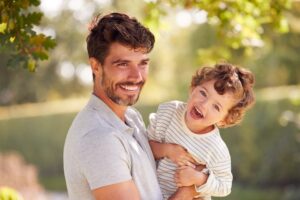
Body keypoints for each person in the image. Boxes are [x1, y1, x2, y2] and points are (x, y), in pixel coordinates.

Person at [63, 12, 197, 200]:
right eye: (123, 64)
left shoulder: (131, 117)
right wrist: (188, 191)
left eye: (142, 64)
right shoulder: (99, 137)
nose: (137, 76)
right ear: (95, 66)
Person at [147, 63, 255, 200]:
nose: (203, 105)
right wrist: (167, 150)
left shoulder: (215, 148)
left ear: (224, 120)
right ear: (193, 88)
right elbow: (143, 147)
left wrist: (199, 178)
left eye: (216, 107)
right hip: (149, 192)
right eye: (203, 93)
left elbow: (225, 185)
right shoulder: (169, 112)